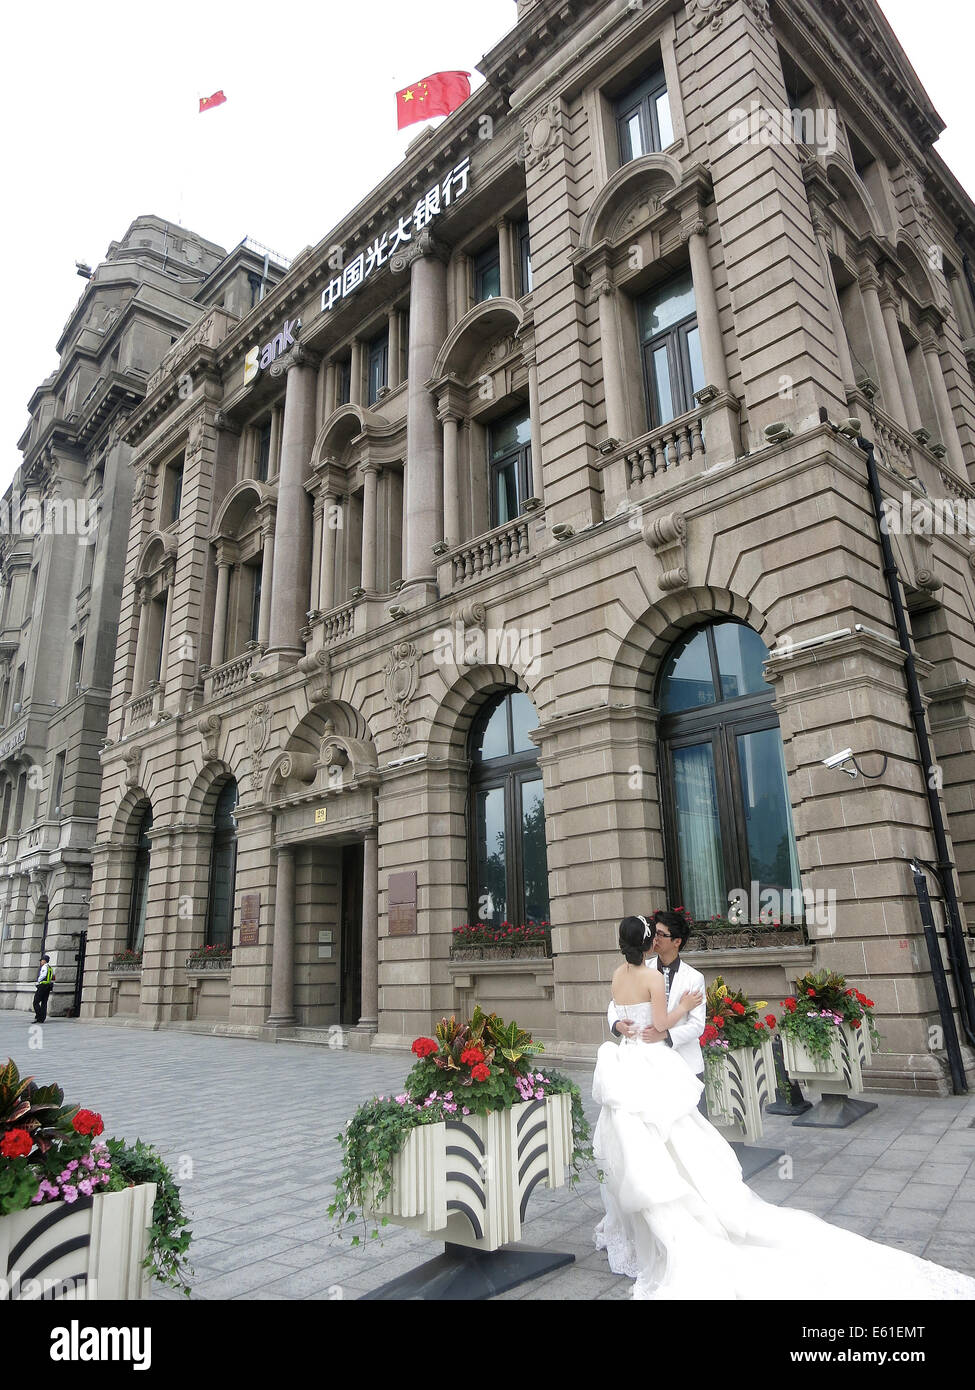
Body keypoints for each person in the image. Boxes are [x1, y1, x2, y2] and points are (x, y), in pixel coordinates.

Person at [593, 915, 975, 1299]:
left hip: (664, 1068)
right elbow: (623, 1013)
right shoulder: (652, 976)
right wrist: (630, 1025)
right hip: (654, 1066)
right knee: (657, 1148)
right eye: (653, 935)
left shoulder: (684, 977)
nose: (658, 941)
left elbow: (693, 1024)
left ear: (676, 941)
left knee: (670, 1148)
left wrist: (653, 1027)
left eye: (663, 935)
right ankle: (668, 1223)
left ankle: (692, 1211)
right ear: (647, 942)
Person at [33, 954, 54, 1023]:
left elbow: (43, 975)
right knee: (44, 1003)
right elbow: (53, 977)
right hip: (48, 986)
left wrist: (38, 981)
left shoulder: (44, 967)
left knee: (35, 1002)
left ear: (44, 961)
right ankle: (42, 1018)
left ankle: (39, 1016)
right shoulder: (50, 968)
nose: (40, 962)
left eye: (41, 960)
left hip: (42, 986)